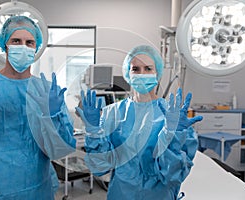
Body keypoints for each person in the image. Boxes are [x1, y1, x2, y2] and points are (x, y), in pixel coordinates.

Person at [0, 15, 76, 200]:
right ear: (5, 45)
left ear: (36, 48)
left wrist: (54, 116)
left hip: (37, 189)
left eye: (29, 42)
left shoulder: (47, 92)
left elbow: (61, 150)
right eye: (16, 41)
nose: (23, 47)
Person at [76, 45, 203, 200]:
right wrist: (93, 130)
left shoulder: (171, 115)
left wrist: (174, 135)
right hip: (121, 193)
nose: (142, 74)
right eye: (135, 69)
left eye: (148, 69)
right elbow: (100, 167)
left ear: (157, 73)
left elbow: (172, 176)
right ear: (128, 74)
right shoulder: (113, 113)